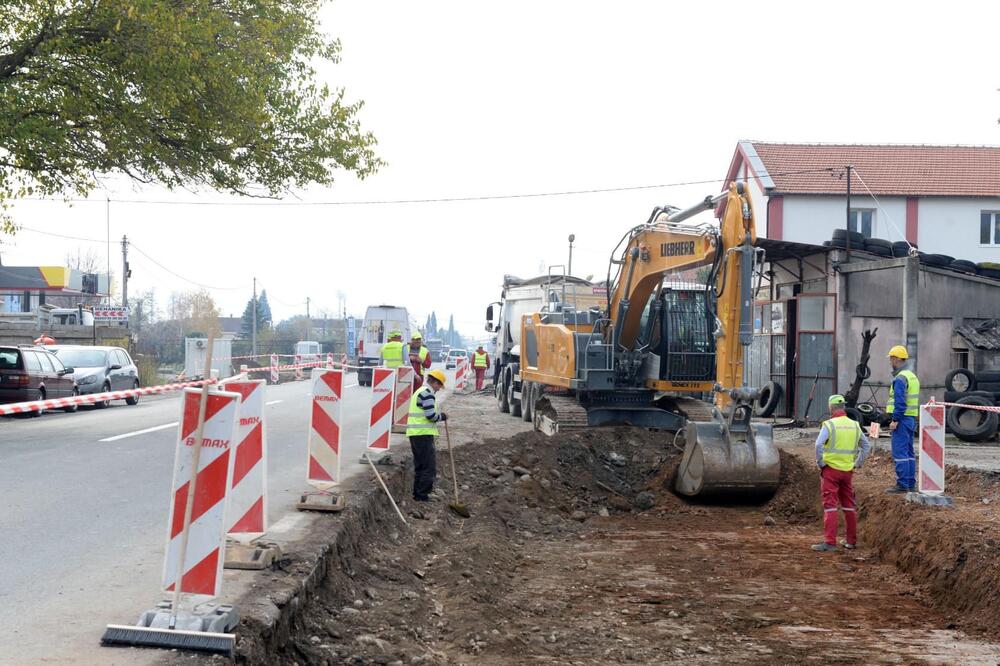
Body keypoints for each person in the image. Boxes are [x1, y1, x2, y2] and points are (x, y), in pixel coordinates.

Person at [812, 394, 871, 552]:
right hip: (847, 471)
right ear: (844, 407)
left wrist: (820, 463)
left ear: (831, 408)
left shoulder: (829, 424)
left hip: (831, 470)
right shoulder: (855, 425)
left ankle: (830, 542)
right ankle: (851, 541)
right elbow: (866, 446)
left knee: (830, 506)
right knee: (849, 506)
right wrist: (857, 463)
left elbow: (818, 445)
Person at [406, 369, 448, 502]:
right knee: (428, 467)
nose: (439, 389)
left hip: (415, 434)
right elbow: (431, 416)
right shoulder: (427, 394)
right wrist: (442, 416)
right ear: (435, 382)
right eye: (439, 386)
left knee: (420, 465)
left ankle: (417, 494)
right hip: (423, 435)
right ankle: (422, 495)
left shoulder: (419, 391)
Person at [885, 345, 919, 493]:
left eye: (892, 358)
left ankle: (903, 484)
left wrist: (895, 420)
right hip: (910, 419)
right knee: (909, 452)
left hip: (902, 419)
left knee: (900, 452)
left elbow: (900, 402)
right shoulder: (912, 376)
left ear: (898, 359)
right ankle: (910, 483)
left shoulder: (900, 378)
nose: (890, 361)